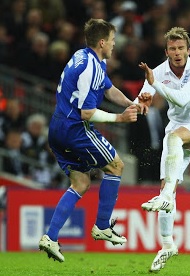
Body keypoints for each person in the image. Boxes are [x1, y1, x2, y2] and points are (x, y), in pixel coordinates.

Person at [39, 18, 148, 262]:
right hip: (73, 128)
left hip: (57, 128)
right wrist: (119, 119)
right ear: (102, 42)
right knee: (117, 166)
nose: (114, 44)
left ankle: (51, 237)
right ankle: (101, 226)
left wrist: (133, 104)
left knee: (80, 183)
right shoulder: (89, 67)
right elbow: (86, 112)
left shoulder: (88, 57)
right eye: (111, 41)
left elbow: (108, 89)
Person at [137, 27, 190, 271]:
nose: (177, 52)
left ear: (188, 50)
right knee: (167, 186)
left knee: (173, 139)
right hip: (177, 128)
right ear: (166, 52)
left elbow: (182, 99)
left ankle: (164, 199)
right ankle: (167, 245)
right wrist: (134, 106)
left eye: (181, 48)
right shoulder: (159, 71)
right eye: (172, 49)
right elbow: (143, 96)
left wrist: (156, 85)